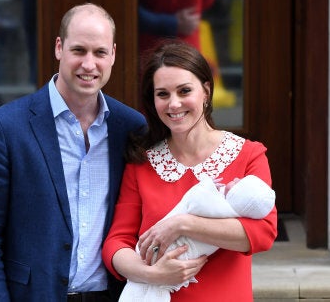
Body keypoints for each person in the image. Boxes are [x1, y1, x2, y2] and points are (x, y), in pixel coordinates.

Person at [0, 3, 146, 302]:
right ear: (59, 48)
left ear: (113, 54)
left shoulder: (131, 128)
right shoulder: (3, 127)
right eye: (79, 50)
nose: (89, 64)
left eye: (100, 53)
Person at [101, 40, 278, 301]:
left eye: (184, 91)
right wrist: (151, 274)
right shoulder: (142, 163)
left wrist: (183, 224)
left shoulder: (248, 154)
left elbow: (263, 234)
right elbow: (116, 244)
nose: (173, 104)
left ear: (206, 91)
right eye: (162, 94)